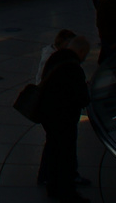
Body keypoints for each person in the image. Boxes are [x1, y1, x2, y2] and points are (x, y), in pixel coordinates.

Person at [38, 35, 91, 203]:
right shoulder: (73, 68)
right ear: (81, 51)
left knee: (54, 152)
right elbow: (82, 97)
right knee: (65, 155)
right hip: (64, 119)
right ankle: (67, 192)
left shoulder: (55, 58)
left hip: (49, 116)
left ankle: (52, 186)